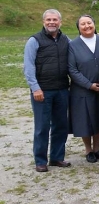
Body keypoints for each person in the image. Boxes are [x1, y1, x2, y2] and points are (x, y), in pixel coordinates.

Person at [24, 9, 71, 172]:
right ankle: (40, 160)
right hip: (42, 91)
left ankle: (57, 158)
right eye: (49, 20)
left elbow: (79, 49)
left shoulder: (66, 39)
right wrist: (35, 87)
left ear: (60, 22)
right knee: (42, 127)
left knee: (61, 125)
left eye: (55, 20)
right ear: (43, 22)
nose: (52, 23)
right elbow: (28, 67)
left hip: (62, 89)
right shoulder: (34, 40)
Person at [68, 15, 99, 164]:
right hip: (83, 90)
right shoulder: (73, 45)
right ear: (78, 27)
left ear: (94, 24)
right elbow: (72, 70)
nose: (87, 26)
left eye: (89, 23)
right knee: (86, 120)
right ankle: (88, 150)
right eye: (83, 24)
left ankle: (97, 148)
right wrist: (89, 85)